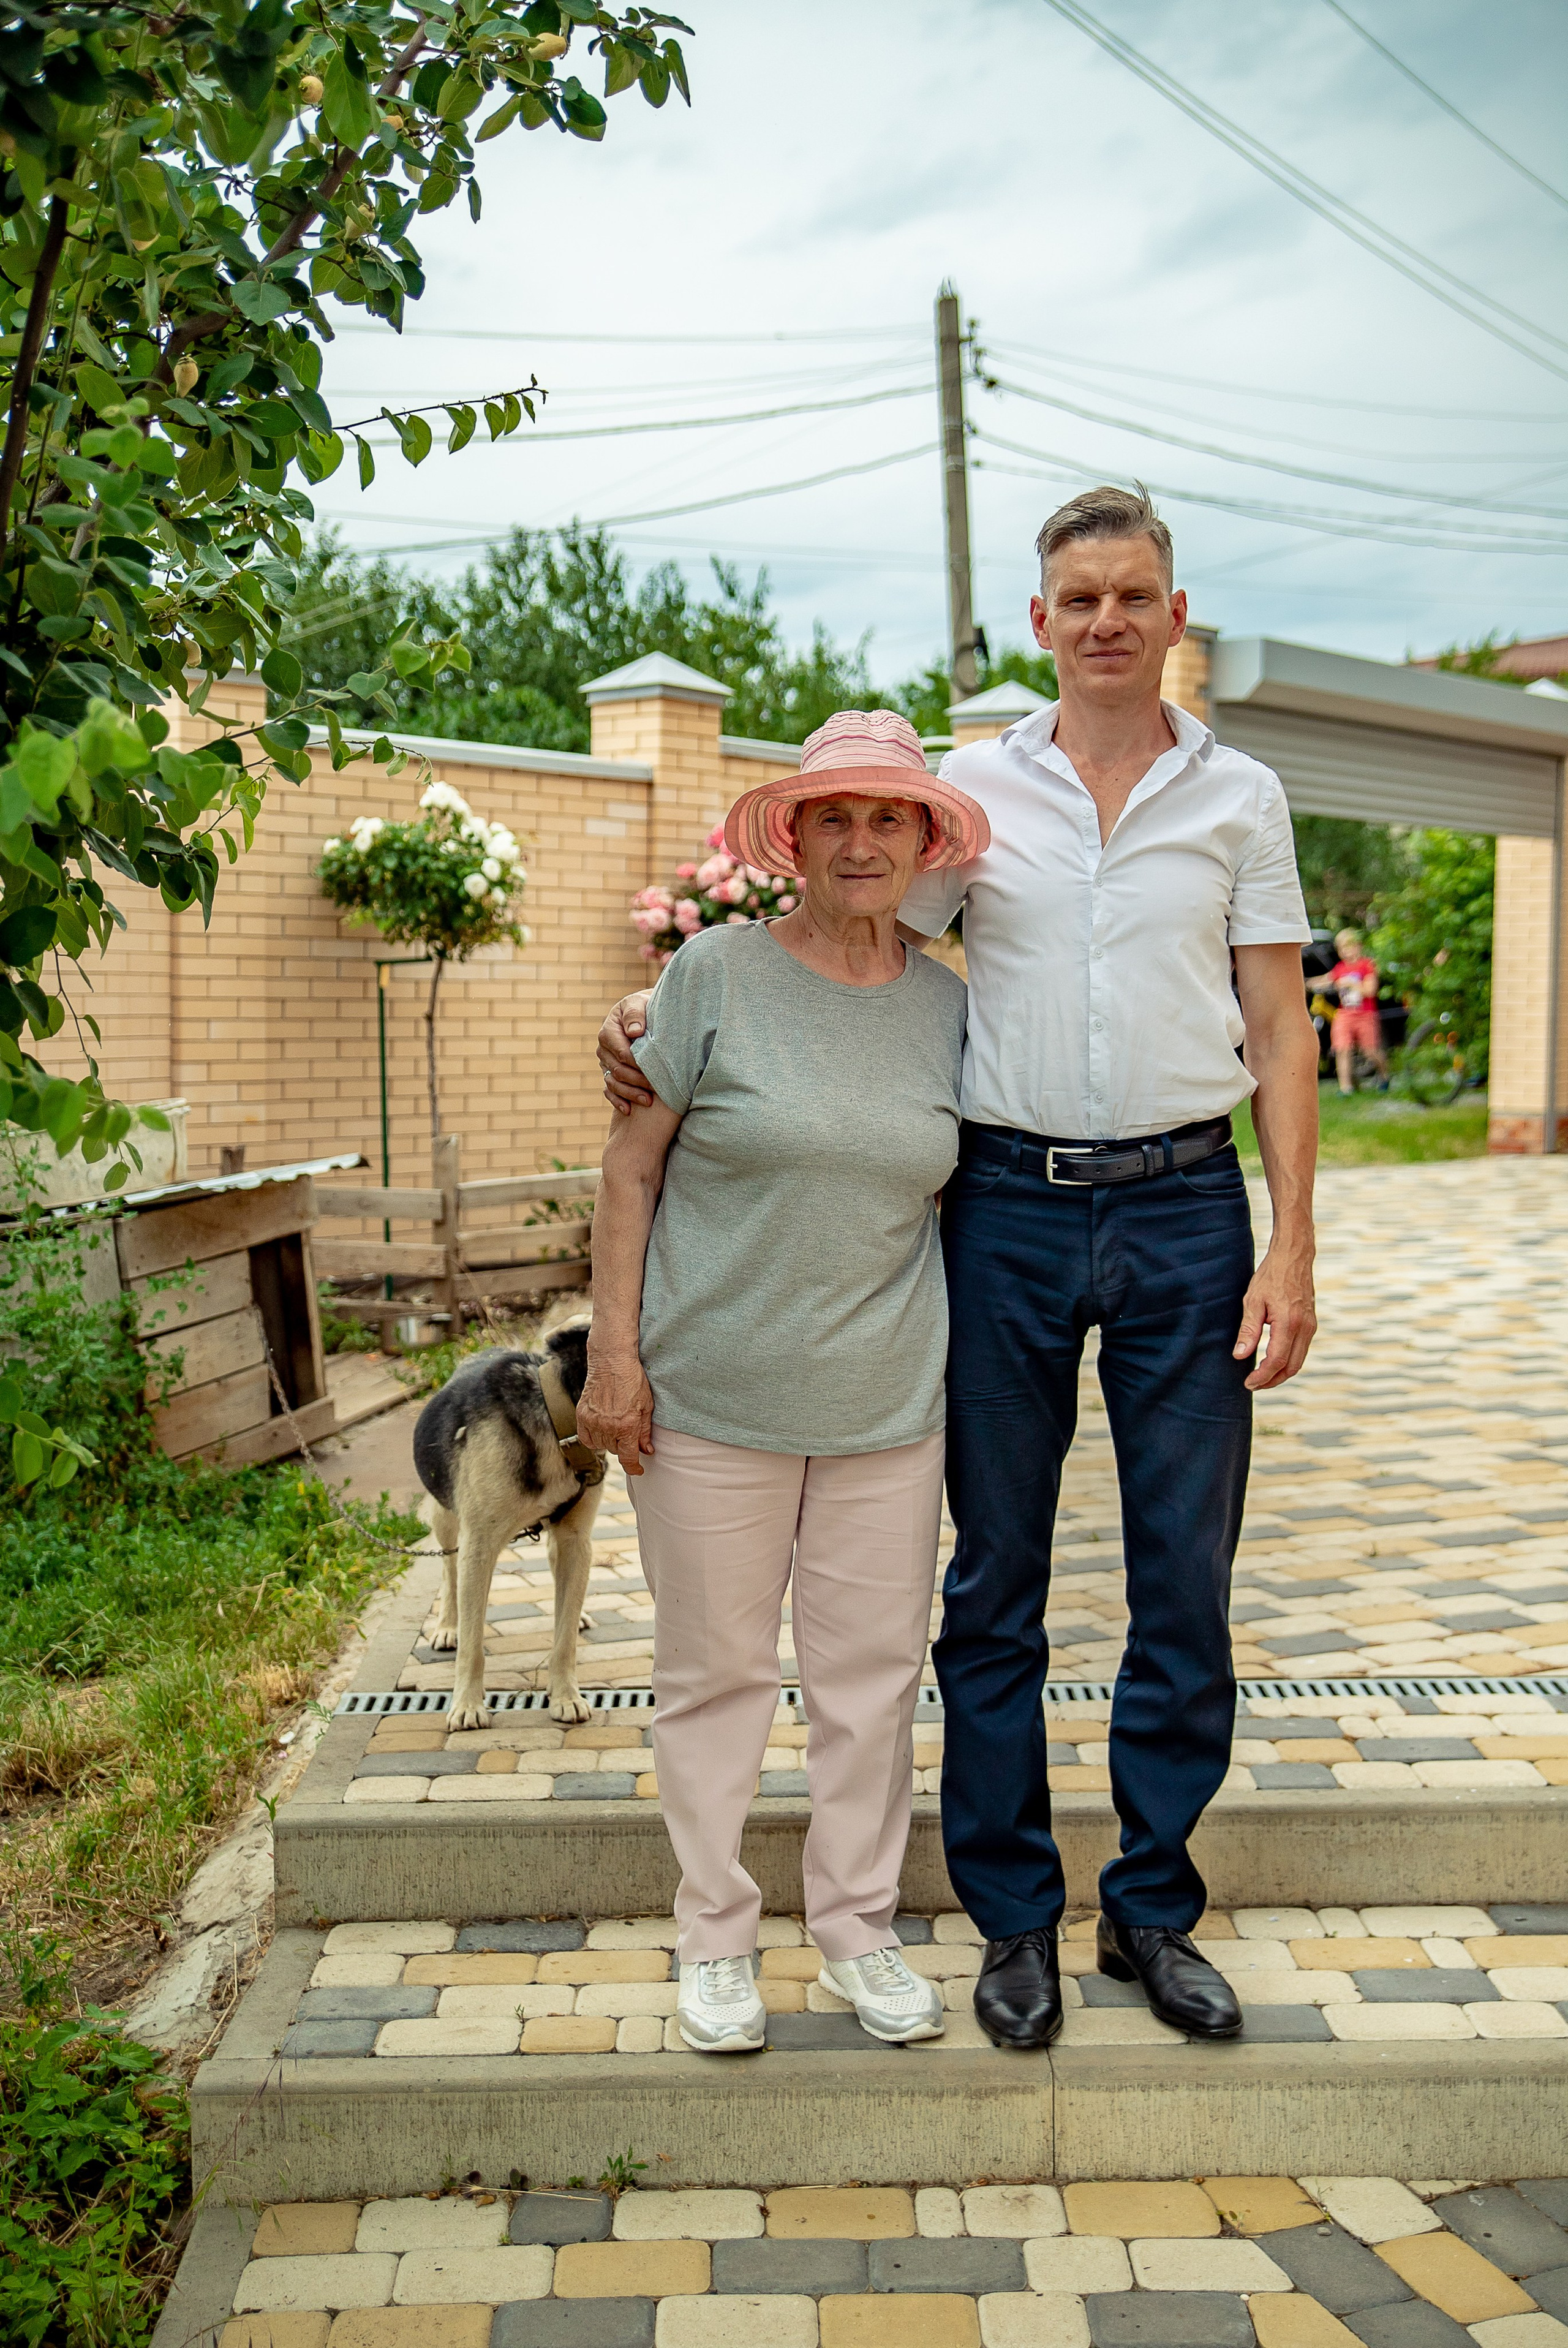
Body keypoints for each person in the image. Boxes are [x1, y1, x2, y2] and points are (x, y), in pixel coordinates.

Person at [601, 485, 1320, 2052]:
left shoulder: (1241, 798)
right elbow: (843, 933)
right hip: (997, 1205)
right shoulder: (969, 797)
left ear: (1171, 616)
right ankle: (1011, 1921)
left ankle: (1146, 1908)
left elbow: (1276, 1027)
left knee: (1180, 1576)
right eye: (1079, 599)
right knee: (989, 1583)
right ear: (1039, 622)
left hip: (1188, 1208)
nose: (1107, 621)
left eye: (1134, 595)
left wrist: (1292, 1245)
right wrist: (662, 1031)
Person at [575, 709, 988, 2055]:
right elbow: (629, 1169)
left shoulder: (951, 1006)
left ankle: (857, 1928)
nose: (860, 841)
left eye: (887, 818)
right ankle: (713, 1937)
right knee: (713, 1674)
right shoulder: (710, 976)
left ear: (922, 840)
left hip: (886, 1413)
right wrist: (614, 1356)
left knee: (872, 1680)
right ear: (793, 836)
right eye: (834, 817)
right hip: (707, 1404)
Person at [1329, 927, 1387, 1093]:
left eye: (1350, 947)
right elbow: (1328, 980)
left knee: (1370, 1051)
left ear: (1358, 947)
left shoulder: (1367, 965)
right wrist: (1305, 983)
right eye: (1343, 949)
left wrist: (1351, 983)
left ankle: (1384, 1075)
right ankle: (1346, 1088)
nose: (1347, 952)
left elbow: (1370, 990)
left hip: (1365, 1014)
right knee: (1342, 1049)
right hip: (1345, 1013)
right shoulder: (1340, 968)